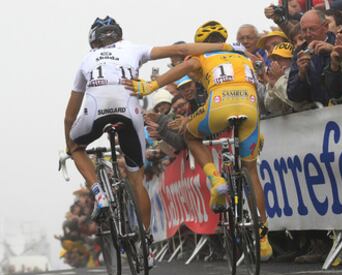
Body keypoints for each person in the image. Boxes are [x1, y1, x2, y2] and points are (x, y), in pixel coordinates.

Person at [64, 15, 247, 238]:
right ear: (119, 35)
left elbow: (69, 115)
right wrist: (226, 46)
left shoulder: (86, 59)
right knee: (137, 180)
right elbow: (182, 49)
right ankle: (145, 244)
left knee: (75, 147)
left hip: (94, 111)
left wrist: (69, 145)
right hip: (129, 111)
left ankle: (98, 193)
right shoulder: (132, 48)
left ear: (93, 41)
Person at [123, 20, 274, 261]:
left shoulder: (202, 56)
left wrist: (150, 86)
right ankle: (264, 239)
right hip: (250, 107)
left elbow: (183, 68)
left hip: (220, 106)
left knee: (190, 134)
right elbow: (260, 70)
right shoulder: (241, 53)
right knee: (252, 171)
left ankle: (215, 179)